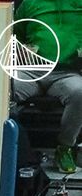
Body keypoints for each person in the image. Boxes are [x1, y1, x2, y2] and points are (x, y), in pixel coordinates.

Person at [11, 0, 82, 174]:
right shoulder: (29, 3)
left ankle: (65, 147)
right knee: (4, 89)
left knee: (79, 92)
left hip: (66, 73)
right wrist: (20, 50)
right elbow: (14, 35)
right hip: (31, 71)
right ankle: (15, 148)